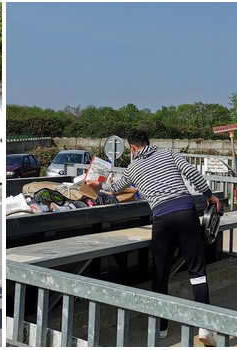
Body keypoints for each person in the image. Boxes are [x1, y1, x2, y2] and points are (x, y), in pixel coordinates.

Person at [84, 130, 221, 346]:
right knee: (197, 270)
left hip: (162, 219)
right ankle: (205, 327)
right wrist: (209, 195)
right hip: (186, 213)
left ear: (132, 148)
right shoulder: (169, 154)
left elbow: (115, 189)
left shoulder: (133, 168)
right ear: (149, 142)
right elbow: (192, 174)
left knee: (160, 273)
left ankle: (162, 328)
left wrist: (97, 185)